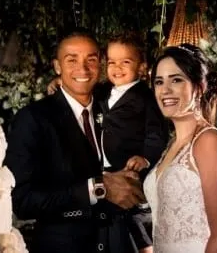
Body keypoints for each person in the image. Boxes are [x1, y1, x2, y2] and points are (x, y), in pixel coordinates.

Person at [4, 30, 146, 253]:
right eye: (72, 60)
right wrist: (95, 188)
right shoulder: (33, 118)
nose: (83, 68)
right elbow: (21, 201)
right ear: (57, 67)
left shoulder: (115, 107)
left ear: (100, 65)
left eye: (91, 59)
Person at [47, 32, 169, 253]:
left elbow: (156, 134)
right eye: (112, 62)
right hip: (106, 168)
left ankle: (147, 248)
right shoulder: (104, 91)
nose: (117, 67)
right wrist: (60, 81)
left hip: (130, 165)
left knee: (133, 211)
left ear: (141, 67)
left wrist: (146, 157)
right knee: (112, 217)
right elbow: (81, 88)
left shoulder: (146, 98)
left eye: (125, 62)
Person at [143, 43, 217, 253]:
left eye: (176, 80)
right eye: (159, 82)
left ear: (199, 87)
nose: (165, 90)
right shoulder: (171, 145)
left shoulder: (209, 140)